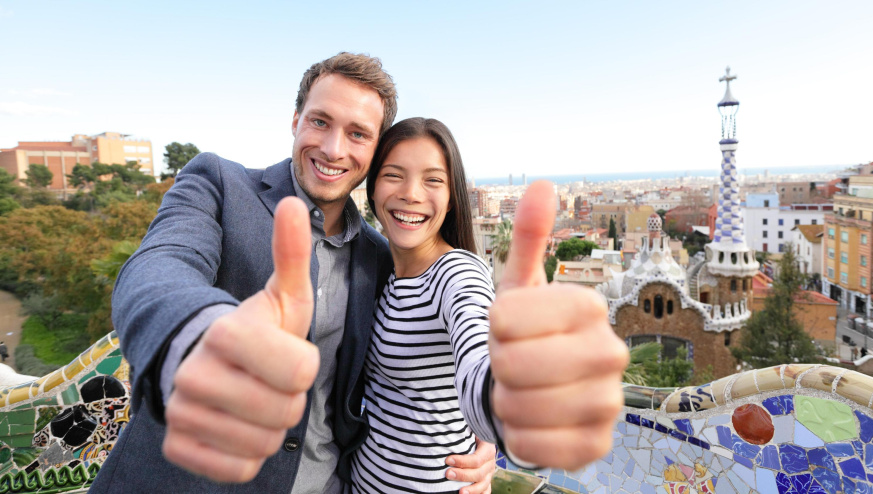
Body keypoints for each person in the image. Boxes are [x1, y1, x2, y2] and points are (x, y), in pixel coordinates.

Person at [91, 52, 628, 493]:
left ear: (371, 153)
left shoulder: (381, 256)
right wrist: (200, 339)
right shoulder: (218, 185)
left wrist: (498, 409)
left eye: (357, 134)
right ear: (295, 120)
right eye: (320, 122)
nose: (332, 148)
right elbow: (159, 269)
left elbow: (464, 346)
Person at [351, 118, 498, 493]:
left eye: (433, 180)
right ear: (373, 188)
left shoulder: (456, 273)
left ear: (451, 199)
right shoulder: (380, 267)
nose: (411, 194)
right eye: (394, 175)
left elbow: (478, 354)